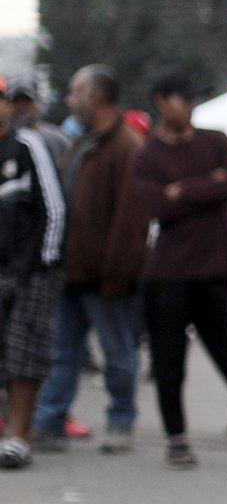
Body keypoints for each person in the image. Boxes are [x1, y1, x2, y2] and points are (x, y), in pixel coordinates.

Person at [131, 73, 227, 468]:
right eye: (184, 98)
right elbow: (160, 207)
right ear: (162, 101)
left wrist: (184, 189)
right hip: (168, 274)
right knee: (169, 360)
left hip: (214, 270)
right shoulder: (147, 156)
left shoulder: (214, 140)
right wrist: (207, 185)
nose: (191, 107)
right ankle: (176, 436)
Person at [30, 65, 148, 455]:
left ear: (95, 97)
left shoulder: (126, 147)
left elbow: (131, 219)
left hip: (105, 276)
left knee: (117, 353)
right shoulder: (83, 143)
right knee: (62, 352)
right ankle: (48, 421)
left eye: (75, 91)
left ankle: (120, 421)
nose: (70, 99)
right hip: (73, 272)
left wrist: (117, 272)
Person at [0, 98, 65, 470]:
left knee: (25, 351)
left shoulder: (27, 146)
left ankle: (20, 434)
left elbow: (54, 206)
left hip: (33, 268)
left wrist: (46, 259)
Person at [7, 81, 70, 160]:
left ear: (37, 103)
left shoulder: (56, 139)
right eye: (17, 101)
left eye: (27, 101)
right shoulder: (4, 139)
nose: (21, 107)